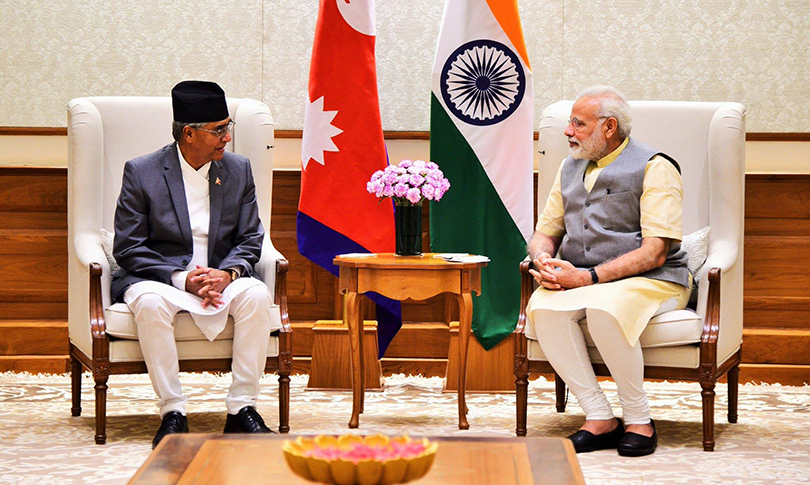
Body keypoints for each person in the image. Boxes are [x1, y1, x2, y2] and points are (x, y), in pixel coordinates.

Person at [112, 80, 280, 449]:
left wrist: (228, 273)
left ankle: (242, 409)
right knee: (151, 303)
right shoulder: (143, 172)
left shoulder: (237, 170)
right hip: (163, 278)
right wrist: (182, 278)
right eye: (218, 130)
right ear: (188, 133)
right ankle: (172, 411)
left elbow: (252, 238)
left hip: (221, 275)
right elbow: (128, 247)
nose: (227, 138)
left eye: (228, 127)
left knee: (255, 295)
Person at [525, 86, 691, 457]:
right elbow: (545, 231)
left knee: (605, 310)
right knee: (544, 310)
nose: (568, 131)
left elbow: (655, 251)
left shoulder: (655, 166)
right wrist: (543, 260)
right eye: (569, 122)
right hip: (586, 279)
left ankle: (639, 421)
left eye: (578, 123)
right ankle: (600, 418)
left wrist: (587, 278)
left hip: (653, 279)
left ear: (609, 127)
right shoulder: (569, 167)